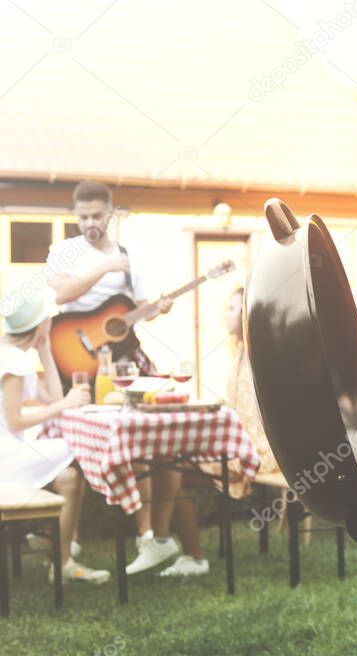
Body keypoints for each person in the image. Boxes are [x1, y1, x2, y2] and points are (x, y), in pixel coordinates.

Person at [45, 180, 205, 578]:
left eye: (98, 215)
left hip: (124, 362)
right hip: (75, 360)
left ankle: (150, 537)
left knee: (152, 436)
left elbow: (139, 309)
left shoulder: (130, 258)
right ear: (75, 216)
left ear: (111, 214)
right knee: (71, 450)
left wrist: (160, 308)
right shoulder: (63, 251)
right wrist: (102, 267)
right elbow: (60, 294)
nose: (90, 223)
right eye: (83, 216)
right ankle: (70, 544)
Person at [0, 286, 110, 583]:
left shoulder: (14, 354)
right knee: (75, 450)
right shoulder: (14, 361)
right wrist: (65, 404)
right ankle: (61, 557)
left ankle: (61, 550)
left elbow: (52, 397)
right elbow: (15, 420)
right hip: (6, 457)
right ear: (40, 323)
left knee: (69, 477)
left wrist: (45, 349)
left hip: (10, 451)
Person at [198, 286, 278, 498]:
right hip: (241, 439)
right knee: (190, 452)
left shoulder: (261, 355)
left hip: (262, 448)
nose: (225, 314)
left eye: (232, 309)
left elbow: (258, 414)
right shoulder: (239, 350)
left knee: (194, 455)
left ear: (246, 314)